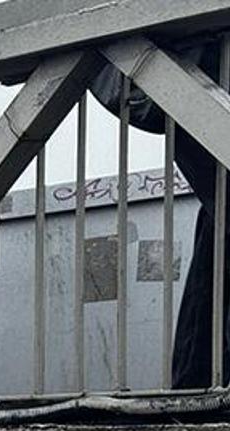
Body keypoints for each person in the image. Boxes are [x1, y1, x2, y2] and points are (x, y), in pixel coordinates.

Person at [90, 37, 227, 388]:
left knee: (218, 226)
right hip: (188, 77)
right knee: (220, 222)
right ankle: (198, 389)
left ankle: (197, 389)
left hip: (190, 80)